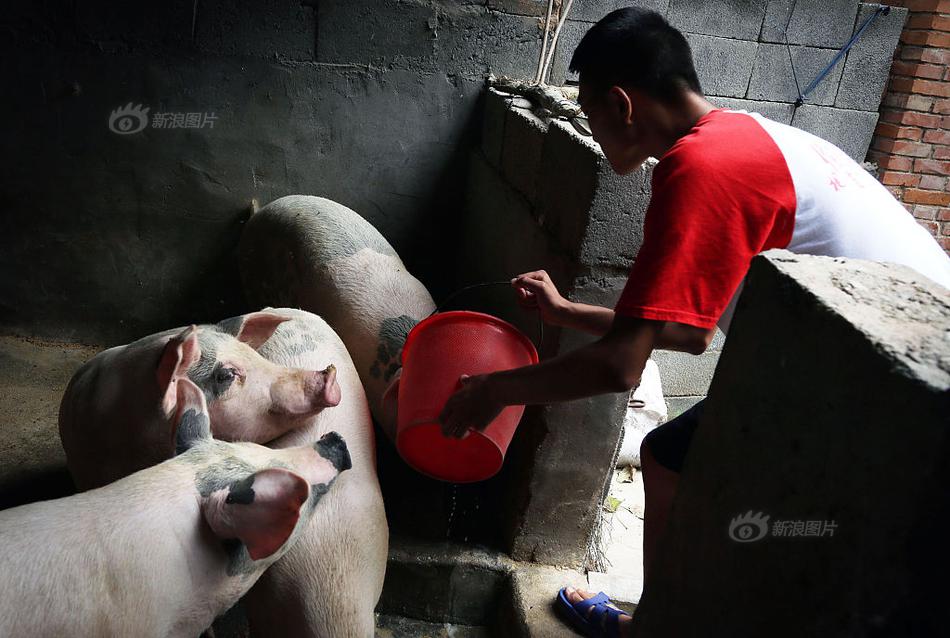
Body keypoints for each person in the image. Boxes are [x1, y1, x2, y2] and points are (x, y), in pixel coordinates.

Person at [435, 7, 950, 638]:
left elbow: (620, 366)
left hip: (897, 393)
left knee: (700, 474)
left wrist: (494, 390)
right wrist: (568, 313)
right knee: (676, 458)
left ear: (621, 104)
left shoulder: (702, 169)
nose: (593, 133)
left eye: (592, 115)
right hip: (876, 362)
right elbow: (687, 330)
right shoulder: (742, 136)